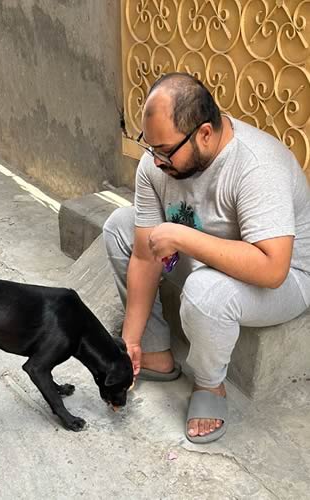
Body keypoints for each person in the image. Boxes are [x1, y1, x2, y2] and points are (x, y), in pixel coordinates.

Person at [103, 72, 310, 443]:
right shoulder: (157, 165)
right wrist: (130, 341)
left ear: (204, 134)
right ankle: (153, 353)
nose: (155, 159)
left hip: (286, 278)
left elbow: (273, 267)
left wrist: (183, 236)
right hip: (210, 257)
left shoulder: (256, 166)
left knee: (205, 291)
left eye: (164, 150)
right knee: (120, 225)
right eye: (149, 146)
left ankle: (210, 385)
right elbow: (144, 255)